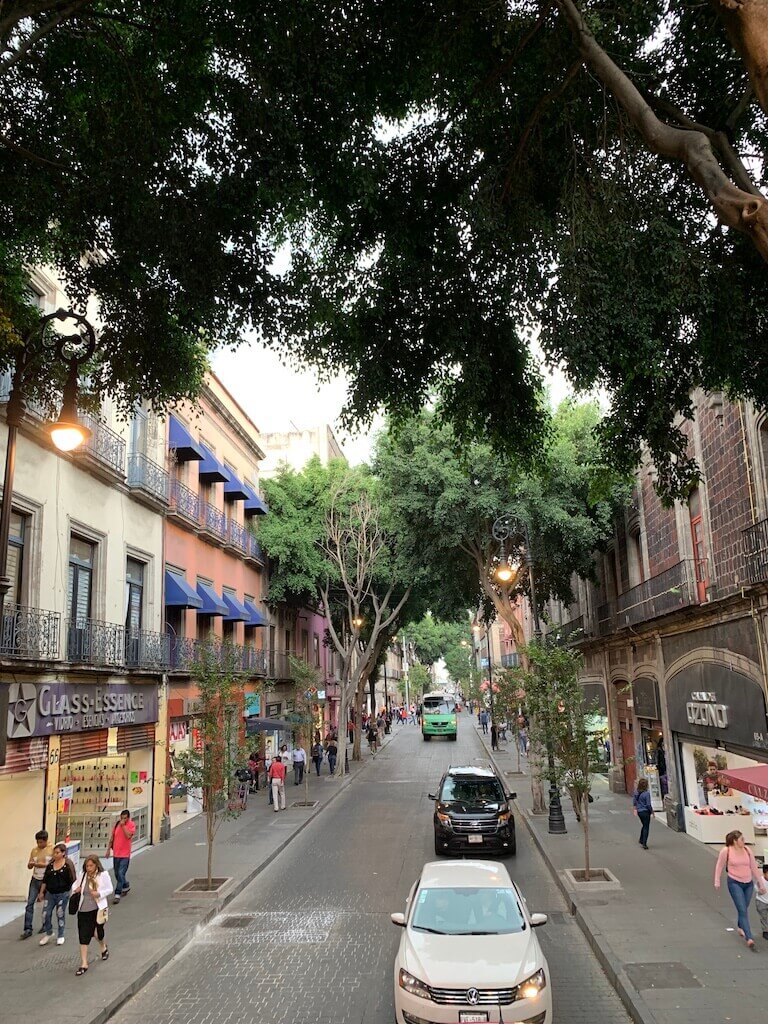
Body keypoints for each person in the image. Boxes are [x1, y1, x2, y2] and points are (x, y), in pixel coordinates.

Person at [714, 829, 766, 950]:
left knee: (744, 906)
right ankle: (749, 937)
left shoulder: (747, 850)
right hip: (734, 882)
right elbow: (719, 865)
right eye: (742, 839)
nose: (744, 841)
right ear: (735, 841)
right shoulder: (726, 851)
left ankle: (740, 925)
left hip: (748, 882)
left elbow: (753, 867)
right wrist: (717, 880)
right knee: (742, 909)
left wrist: (760, 883)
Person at [72, 855, 113, 975]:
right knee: (83, 935)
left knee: (97, 933)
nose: (88, 868)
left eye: (91, 866)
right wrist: (76, 889)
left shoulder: (103, 875)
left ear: (96, 865)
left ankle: (103, 947)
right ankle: (84, 963)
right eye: (87, 866)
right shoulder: (83, 874)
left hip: (97, 909)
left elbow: (110, 889)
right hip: (83, 909)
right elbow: (75, 885)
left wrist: (99, 893)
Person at [38, 843, 75, 945]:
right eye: (54, 852)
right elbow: (45, 880)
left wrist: (71, 892)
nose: (55, 854)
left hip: (63, 893)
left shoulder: (68, 865)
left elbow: (73, 879)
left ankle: (61, 934)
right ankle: (49, 932)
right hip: (50, 893)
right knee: (45, 913)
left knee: (60, 914)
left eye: (57, 852)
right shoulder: (50, 865)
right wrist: (41, 892)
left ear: (63, 853)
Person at [21, 830, 53, 939]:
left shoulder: (52, 849)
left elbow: (49, 865)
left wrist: (37, 864)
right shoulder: (34, 851)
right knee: (30, 903)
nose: (39, 844)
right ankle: (27, 928)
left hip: (47, 880)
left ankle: (45, 924)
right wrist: (30, 864)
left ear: (46, 841)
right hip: (35, 879)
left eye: (41, 842)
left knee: (46, 904)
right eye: (38, 842)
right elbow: (29, 865)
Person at [107, 809, 136, 903]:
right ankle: (126, 885)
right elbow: (112, 838)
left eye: (125, 818)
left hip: (125, 854)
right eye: (122, 818)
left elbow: (128, 836)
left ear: (128, 818)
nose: (123, 820)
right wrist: (108, 850)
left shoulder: (131, 825)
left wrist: (123, 826)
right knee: (116, 874)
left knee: (120, 873)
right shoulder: (117, 825)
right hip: (116, 853)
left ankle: (117, 894)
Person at [633, 778, 653, 849]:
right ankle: (644, 843)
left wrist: (635, 809)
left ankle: (641, 839)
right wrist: (652, 812)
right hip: (645, 811)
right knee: (646, 827)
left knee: (644, 825)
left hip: (639, 811)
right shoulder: (646, 794)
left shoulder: (636, 792)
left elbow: (634, 802)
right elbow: (648, 804)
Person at [756, 863, 768, 939]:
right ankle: (765, 931)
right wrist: (759, 890)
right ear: (764, 873)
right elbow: (756, 888)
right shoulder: (760, 880)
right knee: (764, 917)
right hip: (761, 901)